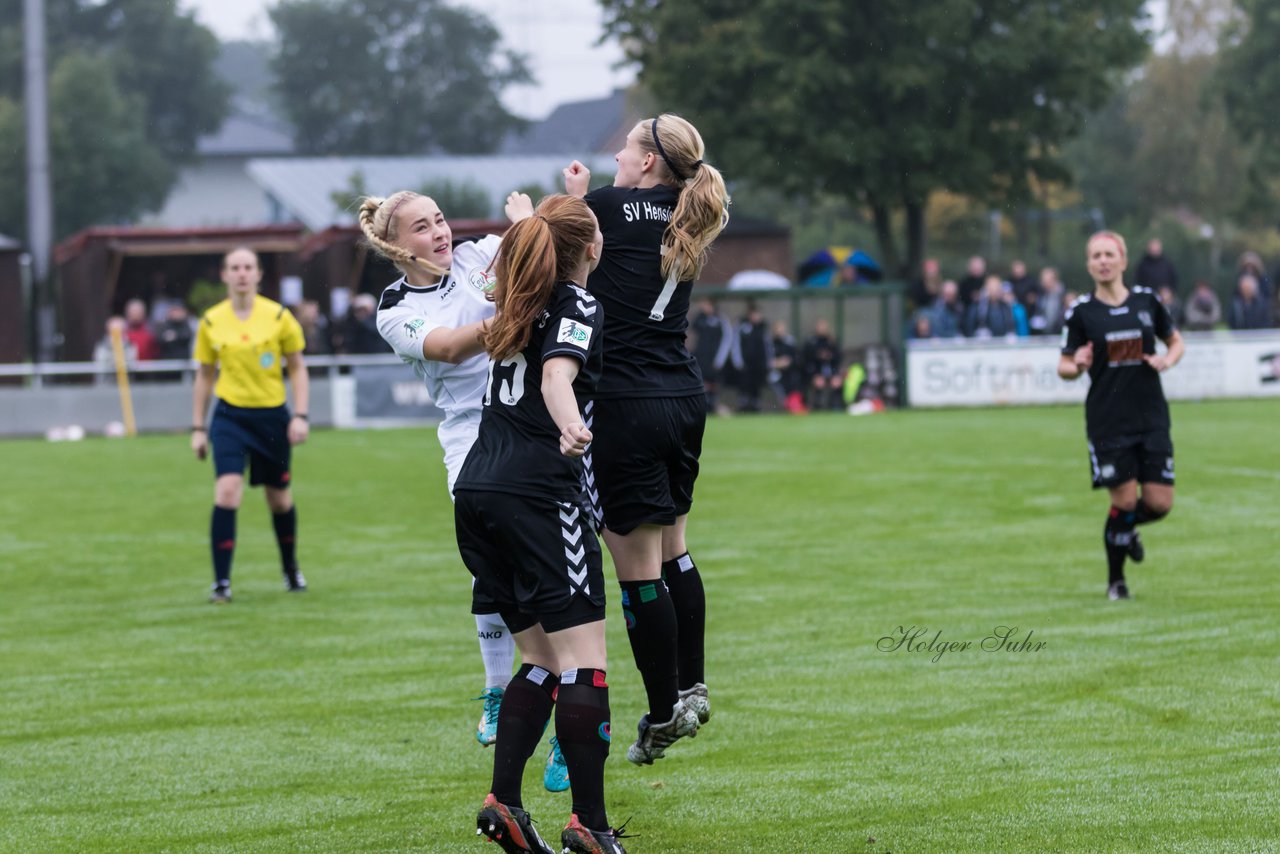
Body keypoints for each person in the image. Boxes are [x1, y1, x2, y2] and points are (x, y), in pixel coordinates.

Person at [363, 189, 568, 792]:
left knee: (558, 577)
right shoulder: (396, 307)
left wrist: (547, 211)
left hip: (533, 426)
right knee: (497, 569)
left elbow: (549, 246)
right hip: (471, 441)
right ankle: (500, 691)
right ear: (398, 247)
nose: (440, 232)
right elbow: (451, 347)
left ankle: (566, 723)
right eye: (422, 228)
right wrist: (520, 310)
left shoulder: (483, 254)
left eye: (441, 219)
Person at [453, 194, 627, 854]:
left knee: (539, 660)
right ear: (592, 249)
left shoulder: (517, 302)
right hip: (537, 494)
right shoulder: (576, 304)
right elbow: (557, 378)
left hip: (478, 489)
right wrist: (572, 424)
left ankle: (506, 804)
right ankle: (591, 823)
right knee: (586, 663)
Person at [562, 112, 729, 765]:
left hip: (625, 403)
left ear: (648, 162)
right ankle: (692, 685)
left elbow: (559, 251)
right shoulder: (692, 211)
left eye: (623, 150)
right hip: (683, 396)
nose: (615, 160)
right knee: (675, 553)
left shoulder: (603, 206)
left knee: (637, 573)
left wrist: (571, 202)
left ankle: (663, 717)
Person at [1058, 231, 1184, 600]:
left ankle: (1125, 531)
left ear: (1123, 261)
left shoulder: (1147, 302)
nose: (1103, 261)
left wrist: (1167, 360)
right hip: (1108, 422)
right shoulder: (1081, 312)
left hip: (1151, 417)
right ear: (1088, 264)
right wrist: (1076, 364)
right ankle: (1117, 581)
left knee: (1160, 504)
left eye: (1109, 254)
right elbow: (1063, 365)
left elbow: (1175, 341)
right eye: (1095, 255)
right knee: (1125, 501)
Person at [191, 247, 310, 603]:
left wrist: (300, 416)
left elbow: (298, 367)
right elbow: (205, 376)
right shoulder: (211, 321)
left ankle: (290, 569)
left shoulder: (278, 317)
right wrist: (198, 427)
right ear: (224, 275)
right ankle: (221, 583)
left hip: (272, 417)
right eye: (234, 268)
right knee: (227, 492)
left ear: (258, 274)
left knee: (279, 500)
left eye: (248, 267)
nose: (241, 273)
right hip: (229, 417)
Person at [689, 298, 731, 414]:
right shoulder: (700, 318)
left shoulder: (721, 319)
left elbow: (727, 340)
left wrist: (720, 359)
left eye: (706, 305)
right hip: (701, 357)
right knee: (701, 380)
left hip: (714, 358)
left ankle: (713, 404)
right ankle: (703, 404)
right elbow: (692, 331)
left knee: (713, 382)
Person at [734, 303, 771, 413]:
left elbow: (768, 345)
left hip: (759, 362)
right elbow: (736, 343)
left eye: (757, 314)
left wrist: (768, 361)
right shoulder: (742, 326)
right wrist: (738, 360)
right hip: (746, 362)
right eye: (753, 314)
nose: (756, 317)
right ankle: (743, 404)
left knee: (757, 384)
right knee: (745, 383)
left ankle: (756, 404)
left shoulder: (763, 328)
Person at [802, 318, 844, 410]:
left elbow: (838, 358)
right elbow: (807, 360)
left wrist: (836, 374)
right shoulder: (811, 342)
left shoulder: (832, 341)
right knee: (819, 383)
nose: (822, 328)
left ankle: (835, 407)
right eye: (820, 326)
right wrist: (814, 374)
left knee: (836, 383)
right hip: (816, 372)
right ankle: (818, 407)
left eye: (824, 326)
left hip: (832, 372)